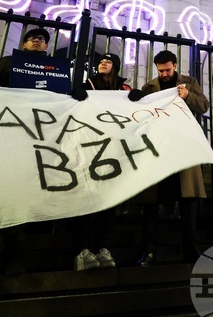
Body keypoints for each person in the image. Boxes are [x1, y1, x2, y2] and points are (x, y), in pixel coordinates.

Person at [0, 26, 53, 276]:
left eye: (42, 40)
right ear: (25, 44)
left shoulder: (54, 68)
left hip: (33, 139)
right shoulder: (8, 62)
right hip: (3, 135)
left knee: (21, 199)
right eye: (33, 39)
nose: (37, 42)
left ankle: (12, 258)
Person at [132, 49, 209, 265]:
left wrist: (188, 96)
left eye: (167, 70)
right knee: (151, 203)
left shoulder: (189, 82)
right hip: (157, 149)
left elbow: (203, 106)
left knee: (188, 202)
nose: (164, 74)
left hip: (182, 149)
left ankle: (191, 249)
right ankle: (149, 251)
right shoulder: (149, 87)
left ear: (174, 65)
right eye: (160, 71)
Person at [70, 52, 138, 271]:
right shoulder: (86, 85)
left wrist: (140, 99)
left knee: (108, 202)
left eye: (108, 61)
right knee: (84, 199)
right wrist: (75, 95)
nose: (103, 63)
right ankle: (83, 250)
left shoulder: (124, 90)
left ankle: (103, 248)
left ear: (116, 67)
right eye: (101, 61)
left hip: (113, 151)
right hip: (87, 148)